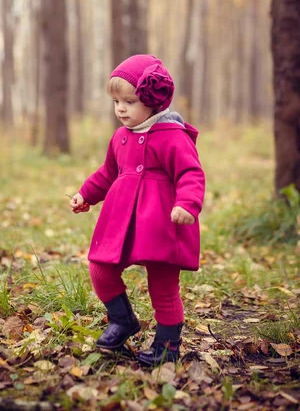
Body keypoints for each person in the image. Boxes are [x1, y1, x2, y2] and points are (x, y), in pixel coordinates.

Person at [69, 54, 205, 366]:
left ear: (153, 100)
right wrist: (84, 193)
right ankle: (122, 320)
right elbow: (107, 173)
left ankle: (167, 346)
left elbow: (191, 174)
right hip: (121, 221)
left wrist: (187, 204)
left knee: (163, 285)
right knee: (100, 267)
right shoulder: (120, 138)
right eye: (116, 101)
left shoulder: (173, 136)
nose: (120, 108)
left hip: (161, 224)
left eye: (129, 101)